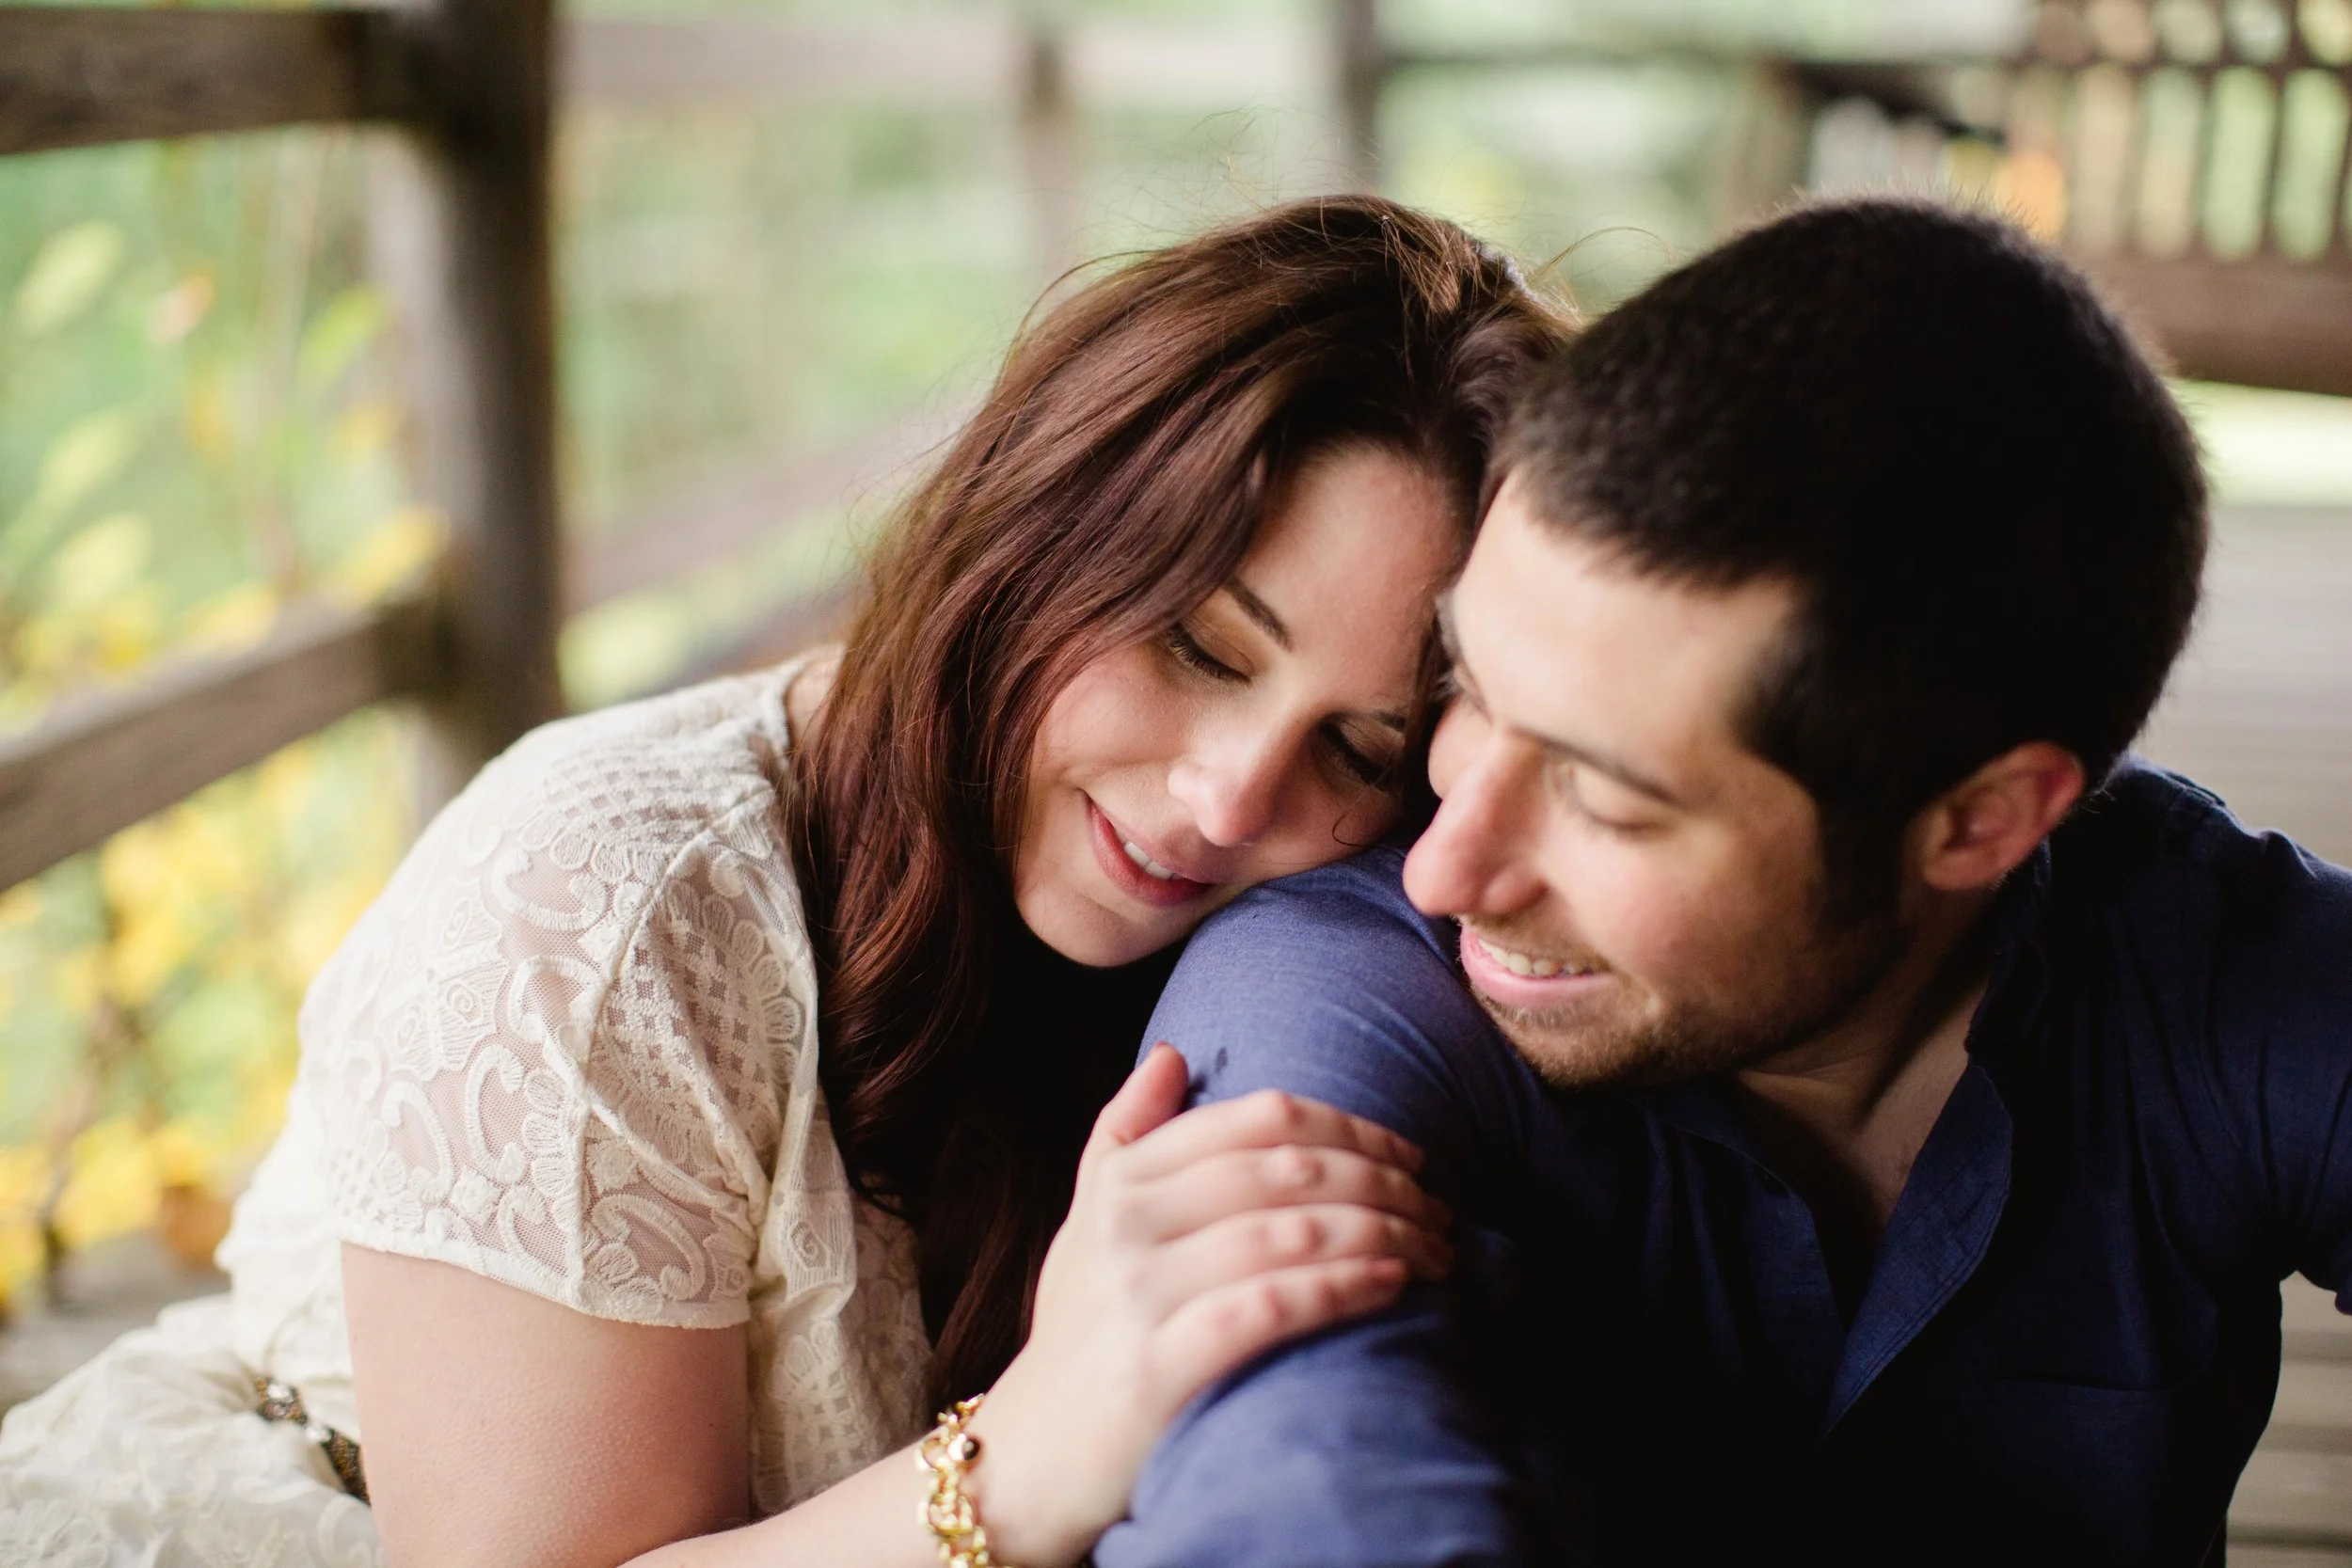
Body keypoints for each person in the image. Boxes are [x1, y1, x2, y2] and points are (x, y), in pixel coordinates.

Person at [0, 197, 1569, 1568]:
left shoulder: (1313, 931)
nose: (1232, 795)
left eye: (1357, 746)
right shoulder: (606, 911)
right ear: (1035, 526)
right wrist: (1023, 1452)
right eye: (1196, 644)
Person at [1096, 198, 2352, 1566]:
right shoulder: (1336, 987)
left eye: (1605, 796)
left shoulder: (2219, 964)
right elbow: (1301, 1481)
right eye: (1467, 693)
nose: (1448, 861)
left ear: (1981, 823)